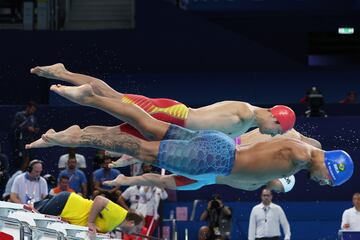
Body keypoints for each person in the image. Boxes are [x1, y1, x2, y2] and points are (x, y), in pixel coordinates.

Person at [26, 84, 353, 191]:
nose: (324, 184)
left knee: (150, 127)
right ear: (330, 165)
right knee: (141, 147)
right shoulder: (299, 156)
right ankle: (79, 128)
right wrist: (310, 154)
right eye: (328, 180)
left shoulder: (297, 154)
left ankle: (91, 99)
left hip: (219, 148)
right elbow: (305, 148)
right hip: (213, 159)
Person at [31, 63, 296, 139]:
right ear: (274, 117)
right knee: (110, 99)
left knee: (111, 95)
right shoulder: (245, 113)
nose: (273, 135)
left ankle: (65, 74)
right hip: (171, 115)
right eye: (277, 130)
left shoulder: (249, 121)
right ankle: (67, 78)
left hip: (172, 117)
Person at [33, 192, 144, 235]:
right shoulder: (119, 215)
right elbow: (100, 199)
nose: (136, 233)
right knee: (33, 221)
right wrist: (90, 222)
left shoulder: (115, 223)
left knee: (32, 212)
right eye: (137, 229)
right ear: (131, 223)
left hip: (64, 207)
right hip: (65, 204)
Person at [11, 101, 39, 170]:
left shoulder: (33, 118)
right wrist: (26, 128)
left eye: (34, 110)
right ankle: (20, 174)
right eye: (32, 109)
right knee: (24, 158)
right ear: (28, 108)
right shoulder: (19, 115)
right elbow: (14, 127)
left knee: (31, 159)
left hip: (31, 141)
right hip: (21, 141)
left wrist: (34, 129)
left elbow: (37, 128)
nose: (33, 111)